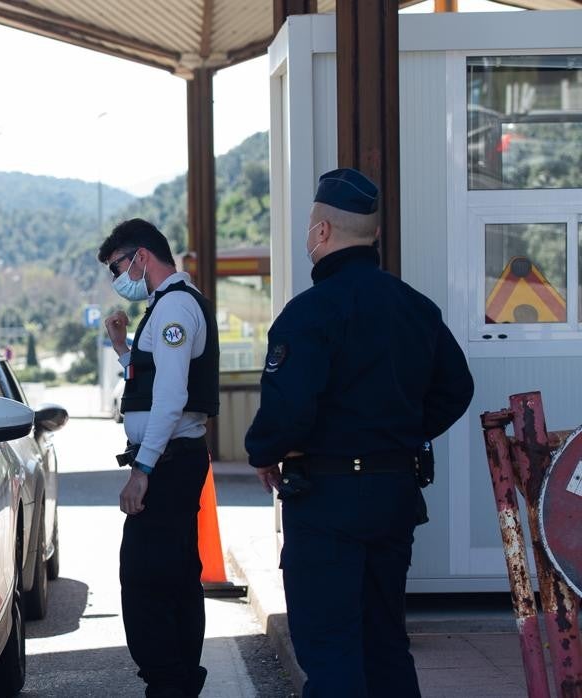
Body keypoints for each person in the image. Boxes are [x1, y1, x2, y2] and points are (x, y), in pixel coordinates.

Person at [244, 168, 474, 697]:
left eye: (309, 226)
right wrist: (400, 434)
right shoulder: (415, 307)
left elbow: (290, 408)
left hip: (327, 502)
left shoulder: (309, 313)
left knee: (330, 652)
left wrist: (265, 452)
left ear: (322, 232)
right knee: (387, 643)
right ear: (371, 235)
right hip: (394, 495)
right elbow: (456, 388)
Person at [98, 218, 219, 698]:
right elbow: (152, 379)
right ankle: (179, 679)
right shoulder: (169, 307)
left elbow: (170, 397)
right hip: (172, 459)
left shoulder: (174, 310)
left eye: (117, 267)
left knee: (149, 579)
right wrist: (123, 347)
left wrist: (142, 471)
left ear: (141, 257)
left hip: (168, 464)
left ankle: (170, 682)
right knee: (172, 575)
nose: (117, 279)